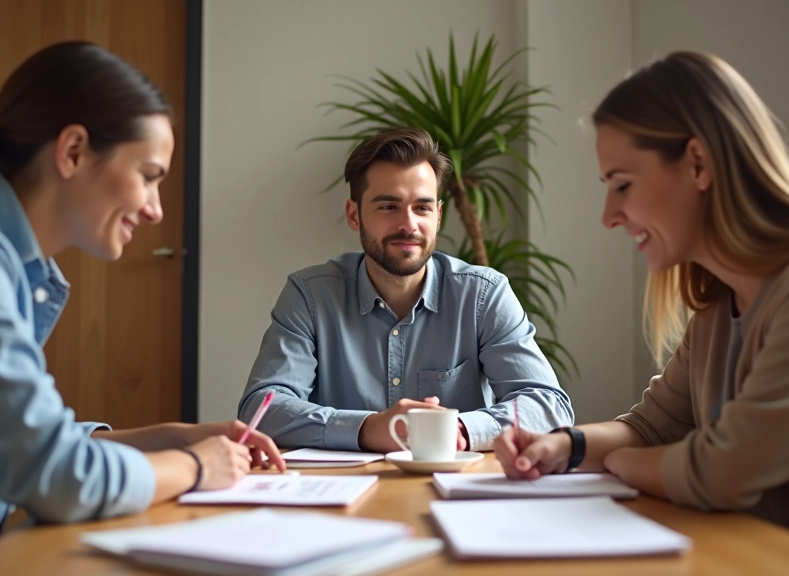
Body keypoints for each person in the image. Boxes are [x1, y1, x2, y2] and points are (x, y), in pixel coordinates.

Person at [0, 41, 283, 575]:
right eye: (150, 175)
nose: (156, 210)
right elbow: (57, 476)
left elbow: (28, 439)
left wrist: (175, 436)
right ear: (73, 151)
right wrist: (194, 466)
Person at [494, 51, 789, 567]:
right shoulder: (718, 302)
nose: (609, 216)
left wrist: (618, 461)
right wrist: (564, 446)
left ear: (698, 164)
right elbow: (654, 426)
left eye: (623, 184)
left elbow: (722, 472)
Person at [237, 128, 573, 454]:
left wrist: (458, 431)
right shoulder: (310, 296)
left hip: (453, 492)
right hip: (344, 496)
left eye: (422, 207)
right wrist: (367, 428)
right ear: (355, 215)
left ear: (439, 215)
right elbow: (261, 409)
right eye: (388, 206)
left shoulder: (484, 295)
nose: (409, 225)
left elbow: (548, 405)